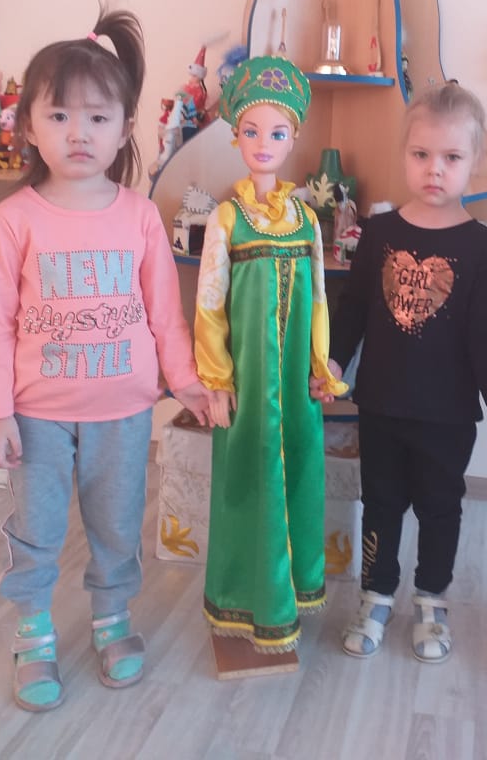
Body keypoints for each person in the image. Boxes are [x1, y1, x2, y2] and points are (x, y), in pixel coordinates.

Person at [0, 7, 211, 712]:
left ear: (125, 128)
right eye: (59, 116)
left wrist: (187, 382)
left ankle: (112, 618)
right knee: (37, 529)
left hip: (123, 412)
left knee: (115, 525)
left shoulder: (139, 215)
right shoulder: (16, 219)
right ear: (28, 126)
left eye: (97, 118)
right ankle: (33, 633)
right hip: (37, 415)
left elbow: (165, 313)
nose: (79, 133)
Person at [313, 81, 487, 663]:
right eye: (421, 154)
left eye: (451, 157)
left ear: (475, 162)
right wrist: (333, 361)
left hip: (448, 414)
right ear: (405, 155)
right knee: (380, 503)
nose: (435, 169)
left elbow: (485, 339)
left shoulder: (483, 249)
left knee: (441, 507)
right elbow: (353, 312)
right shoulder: (378, 235)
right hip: (382, 404)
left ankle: (432, 601)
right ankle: (375, 596)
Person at [194, 55, 348, 654]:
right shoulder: (226, 220)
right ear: (236, 136)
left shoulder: (306, 220)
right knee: (246, 484)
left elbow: (320, 300)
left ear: (294, 138)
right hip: (249, 384)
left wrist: (320, 367)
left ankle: (292, 596)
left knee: (299, 479)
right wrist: (217, 380)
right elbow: (210, 305)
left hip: (295, 384)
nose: (264, 144)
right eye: (252, 131)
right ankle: (244, 601)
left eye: (277, 132)